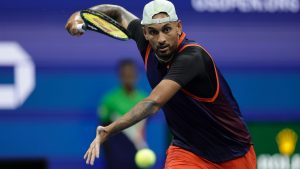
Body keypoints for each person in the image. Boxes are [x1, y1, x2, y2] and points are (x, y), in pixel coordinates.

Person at [65, 0, 256, 168]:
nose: (161, 39)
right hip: (188, 152)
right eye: (153, 32)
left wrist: (109, 130)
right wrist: (81, 16)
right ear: (145, 33)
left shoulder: (193, 57)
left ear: (179, 27)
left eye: (167, 29)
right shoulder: (146, 42)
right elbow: (117, 12)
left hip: (234, 154)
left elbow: (153, 103)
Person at [98, 59, 147, 169]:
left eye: (131, 74)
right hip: (116, 156)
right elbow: (103, 128)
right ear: (120, 76)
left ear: (136, 75)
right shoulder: (110, 100)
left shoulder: (145, 99)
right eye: (125, 74)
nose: (129, 77)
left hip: (139, 153)